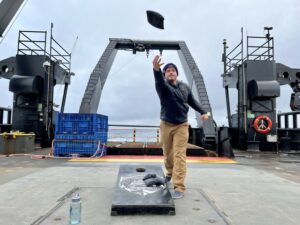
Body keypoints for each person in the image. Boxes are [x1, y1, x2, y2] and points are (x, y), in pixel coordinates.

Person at [152, 55, 209, 199]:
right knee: (167, 152)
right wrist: (156, 70)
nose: (170, 72)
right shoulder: (163, 87)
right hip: (166, 124)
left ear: (177, 73)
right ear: (165, 74)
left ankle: (179, 186)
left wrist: (203, 111)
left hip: (182, 125)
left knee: (179, 155)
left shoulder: (185, 87)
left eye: (173, 70)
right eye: (167, 71)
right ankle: (170, 173)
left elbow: (192, 101)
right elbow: (158, 81)